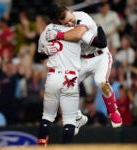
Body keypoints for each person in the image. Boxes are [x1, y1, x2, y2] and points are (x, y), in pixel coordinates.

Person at [45, 2, 122, 130]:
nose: (69, 23)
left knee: (101, 81)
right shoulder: (61, 29)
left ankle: (113, 111)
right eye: (65, 23)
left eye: (69, 20)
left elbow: (83, 35)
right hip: (83, 60)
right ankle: (78, 118)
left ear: (70, 11)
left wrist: (58, 35)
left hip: (100, 56)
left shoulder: (81, 16)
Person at [37, 23, 83, 146]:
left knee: (47, 116)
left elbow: (39, 54)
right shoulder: (76, 29)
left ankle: (41, 145)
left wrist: (45, 51)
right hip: (70, 76)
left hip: (54, 74)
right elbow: (99, 43)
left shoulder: (48, 29)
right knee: (69, 119)